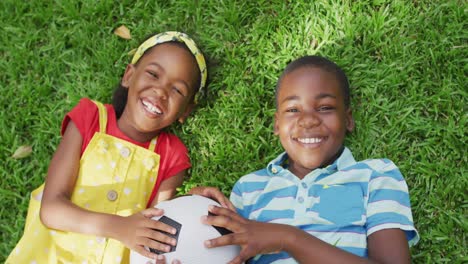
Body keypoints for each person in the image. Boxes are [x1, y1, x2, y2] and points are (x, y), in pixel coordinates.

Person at [6, 31, 228, 263]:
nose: (161, 91)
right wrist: (120, 227)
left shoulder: (172, 155)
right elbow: (51, 209)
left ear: (185, 111)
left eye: (177, 90)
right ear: (129, 75)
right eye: (153, 74)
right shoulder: (90, 118)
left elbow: (160, 223)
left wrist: (193, 204)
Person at [200, 55, 420, 264]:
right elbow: (219, 252)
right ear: (277, 124)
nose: (307, 121)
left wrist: (288, 238)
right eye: (293, 109)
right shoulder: (248, 189)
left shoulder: (375, 176)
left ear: (348, 119)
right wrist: (195, 211)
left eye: (325, 108)